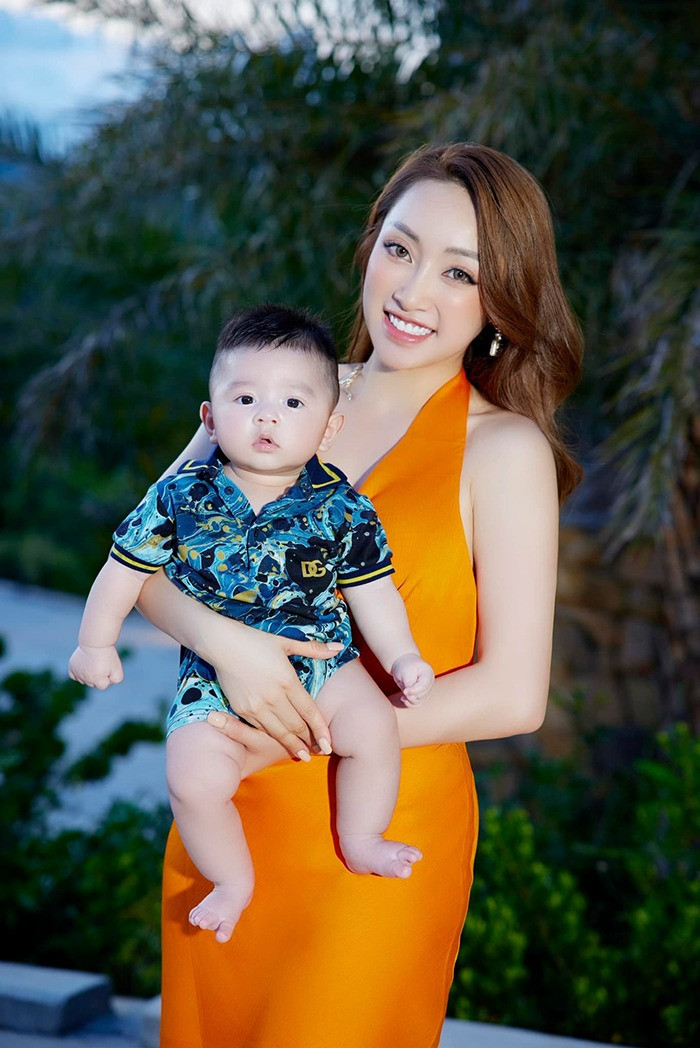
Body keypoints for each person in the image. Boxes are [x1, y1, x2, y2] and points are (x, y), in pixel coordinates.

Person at [136, 142, 583, 1047]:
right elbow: (143, 564)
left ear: (500, 301)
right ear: (371, 243)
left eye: (460, 272)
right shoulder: (278, 392)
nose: (414, 292)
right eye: (401, 248)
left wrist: (286, 731)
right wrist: (230, 648)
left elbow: (513, 694)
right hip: (228, 822)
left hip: (373, 839)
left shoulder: (503, 450)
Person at [69, 303, 434, 944]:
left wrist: (403, 657)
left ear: (328, 427)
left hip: (326, 660)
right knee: (191, 777)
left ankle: (362, 836)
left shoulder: (343, 506)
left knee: (374, 725)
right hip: (213, 679)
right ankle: (231, 880)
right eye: (245, 399)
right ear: (210, 418)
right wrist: (94, 642)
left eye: (292, 403)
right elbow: (123, 570)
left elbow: (374, 593)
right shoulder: (181, 495)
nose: (267, 416)